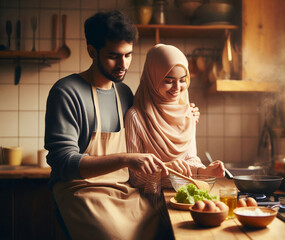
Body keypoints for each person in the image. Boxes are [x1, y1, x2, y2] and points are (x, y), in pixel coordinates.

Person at [44, 11, 198, 240]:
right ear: (92, 51)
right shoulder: (66, 92)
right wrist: (126, 158)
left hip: (125, 191)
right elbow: (62, 161)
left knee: (170, 227)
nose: (122, 64)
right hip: (81, 192)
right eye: (113, 56)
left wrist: (184, 112)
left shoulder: (124, 93)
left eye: (128, 55)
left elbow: (150, 115)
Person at [125, 44, 225, 194]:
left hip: (180, 194)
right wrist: (165, 168)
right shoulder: (136, 117)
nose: (177, 87)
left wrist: (203, 171)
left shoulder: (188, 112)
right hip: (149, 203)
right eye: (169, 80)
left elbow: (190, 158)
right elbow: (135, 178)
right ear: (153, 79)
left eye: (182, 80)